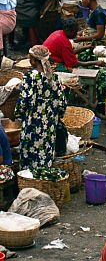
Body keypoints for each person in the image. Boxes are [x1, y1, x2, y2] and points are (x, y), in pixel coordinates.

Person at [15, 44, 67, 172]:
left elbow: (23, 101)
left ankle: (28, 182)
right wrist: (55, 117)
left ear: (33, 60)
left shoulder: (30, 77)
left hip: (32, 125)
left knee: (29, 156)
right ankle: (43, 181)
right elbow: (62, 104)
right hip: (49, 126)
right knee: (45, 155)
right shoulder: (55, 78)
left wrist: (18, 115)